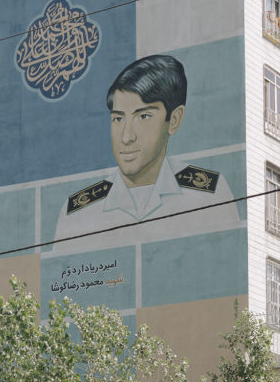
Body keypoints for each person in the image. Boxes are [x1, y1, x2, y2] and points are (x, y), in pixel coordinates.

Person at [53, 54, 239, 250]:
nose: (126, 137)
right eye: (118, 119)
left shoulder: (209, 195)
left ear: (174, 120)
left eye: (143, 116)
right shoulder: (78, 212)